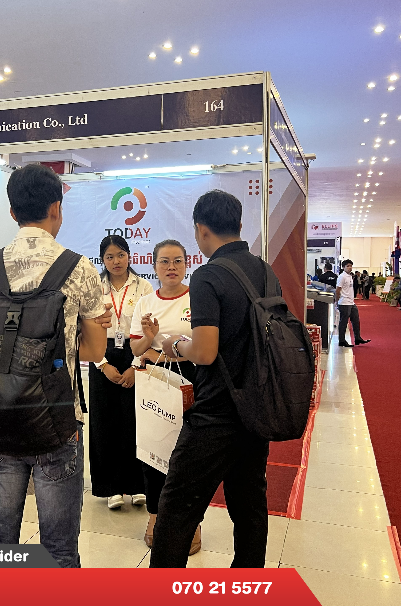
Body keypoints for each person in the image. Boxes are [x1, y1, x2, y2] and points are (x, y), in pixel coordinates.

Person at [0, 164, 110, 568]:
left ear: (12, 212)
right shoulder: (78, 267)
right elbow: (94, 352)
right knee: (58, 548)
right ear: (56, 208)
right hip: (56, 418)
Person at [148, 189, 271, 568]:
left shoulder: (208, 275)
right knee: (249, 507)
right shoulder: (265, 271)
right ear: (239, 224)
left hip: (216, 412)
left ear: (201, 229)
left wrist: (174, 344)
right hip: (257, 408)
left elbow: (205, 352)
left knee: (176, 510)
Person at [129, 239, 199, 555]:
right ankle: (156, 515)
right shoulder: (145, 302)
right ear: (154, 266)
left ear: (187, 264)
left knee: (189, 453)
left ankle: (192, 522)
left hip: (192, 379)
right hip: (154, 380)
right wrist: (149, 336)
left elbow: (206, 346)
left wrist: (168, 351)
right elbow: (135, 349)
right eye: (164, 261)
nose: (171, 267)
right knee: (154, 449)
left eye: (177, 261)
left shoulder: (197, 298)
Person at [89, 235, 153, 509]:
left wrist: (136, 366)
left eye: (121, 255)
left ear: (129, 256)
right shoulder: (95, 287)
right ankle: (111, 488)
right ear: (102, 260)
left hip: (135, 351)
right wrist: (103, 365)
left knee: (136, 422)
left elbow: (149, 330)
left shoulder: (143, 287)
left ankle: (138, 485)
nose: (116, 261)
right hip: (101, 353)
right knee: (104, 423)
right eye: (110, 256)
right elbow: (87, 329)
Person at [335, 260, 371, 347]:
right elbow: (338, 290)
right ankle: (342, 340)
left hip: (351, 302)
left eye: (351, 266)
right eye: (347, 266)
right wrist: (337, 301)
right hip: (344, 302)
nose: (349, 267)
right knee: (343, 322)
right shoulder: (342, 277)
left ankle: (357, 338)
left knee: (355, 320)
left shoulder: (350, 276)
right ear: (343, 267)